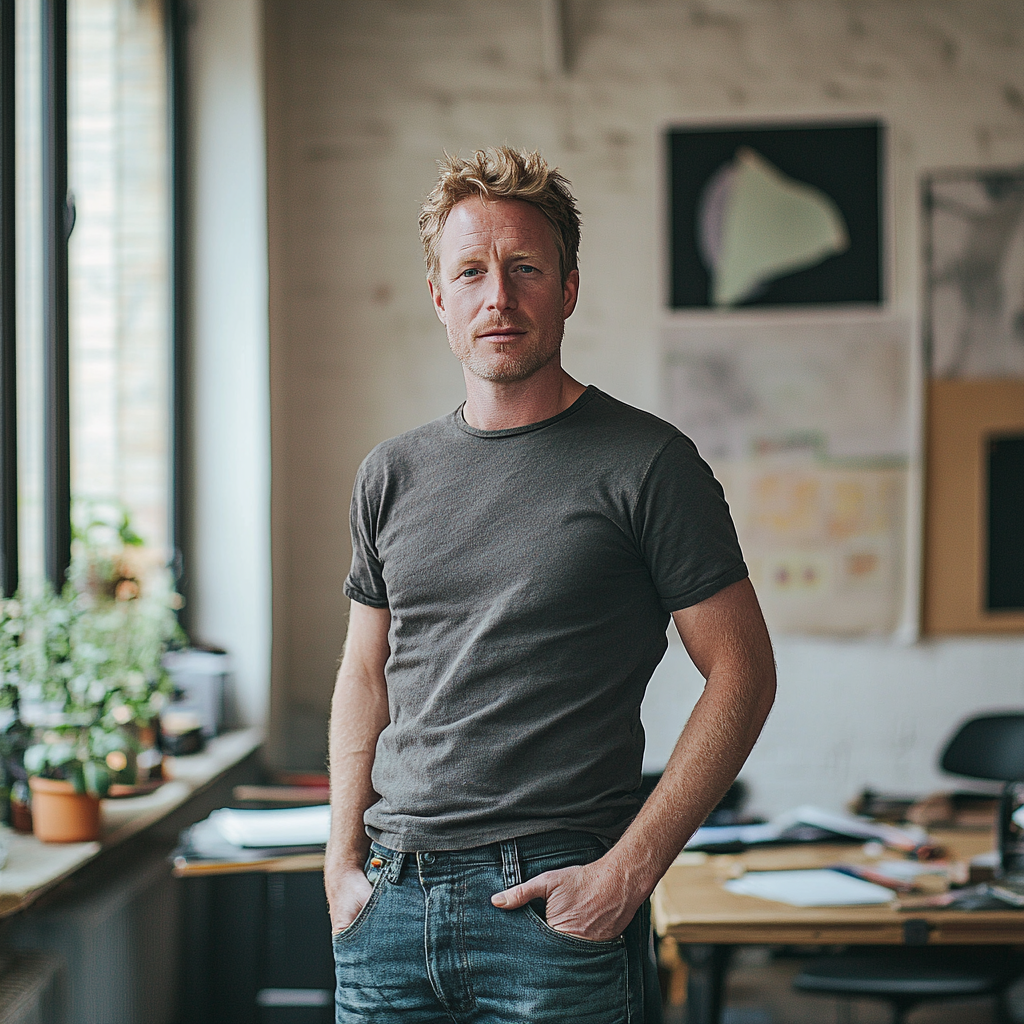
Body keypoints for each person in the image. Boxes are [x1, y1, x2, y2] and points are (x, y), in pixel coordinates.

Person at [325, 146, 776, 1024]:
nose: (498, 296)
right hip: (387, 902)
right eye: (471, 271)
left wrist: (630, 873)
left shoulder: (648, 465)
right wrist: (340, 864)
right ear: (439, 297)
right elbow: (364, 673)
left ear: (567, 288)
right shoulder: (390, 474)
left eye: (525, 268)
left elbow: (744, 673)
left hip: (554, 906)